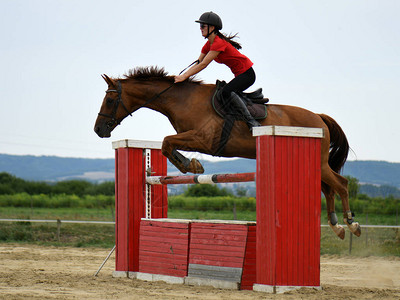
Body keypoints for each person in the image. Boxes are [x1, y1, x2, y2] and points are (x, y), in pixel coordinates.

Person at [174, 11, 260, 129]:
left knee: (226, 92)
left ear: (212, 27)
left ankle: (251, 121)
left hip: (247, 75)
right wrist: (182, 75)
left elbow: (204, 64)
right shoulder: (208, 45)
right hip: (239, 75)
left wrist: (184, 77)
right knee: (223, 93)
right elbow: (198, 62)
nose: (200, 29)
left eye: (202, 26)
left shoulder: (219, 43)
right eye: (200, 26)